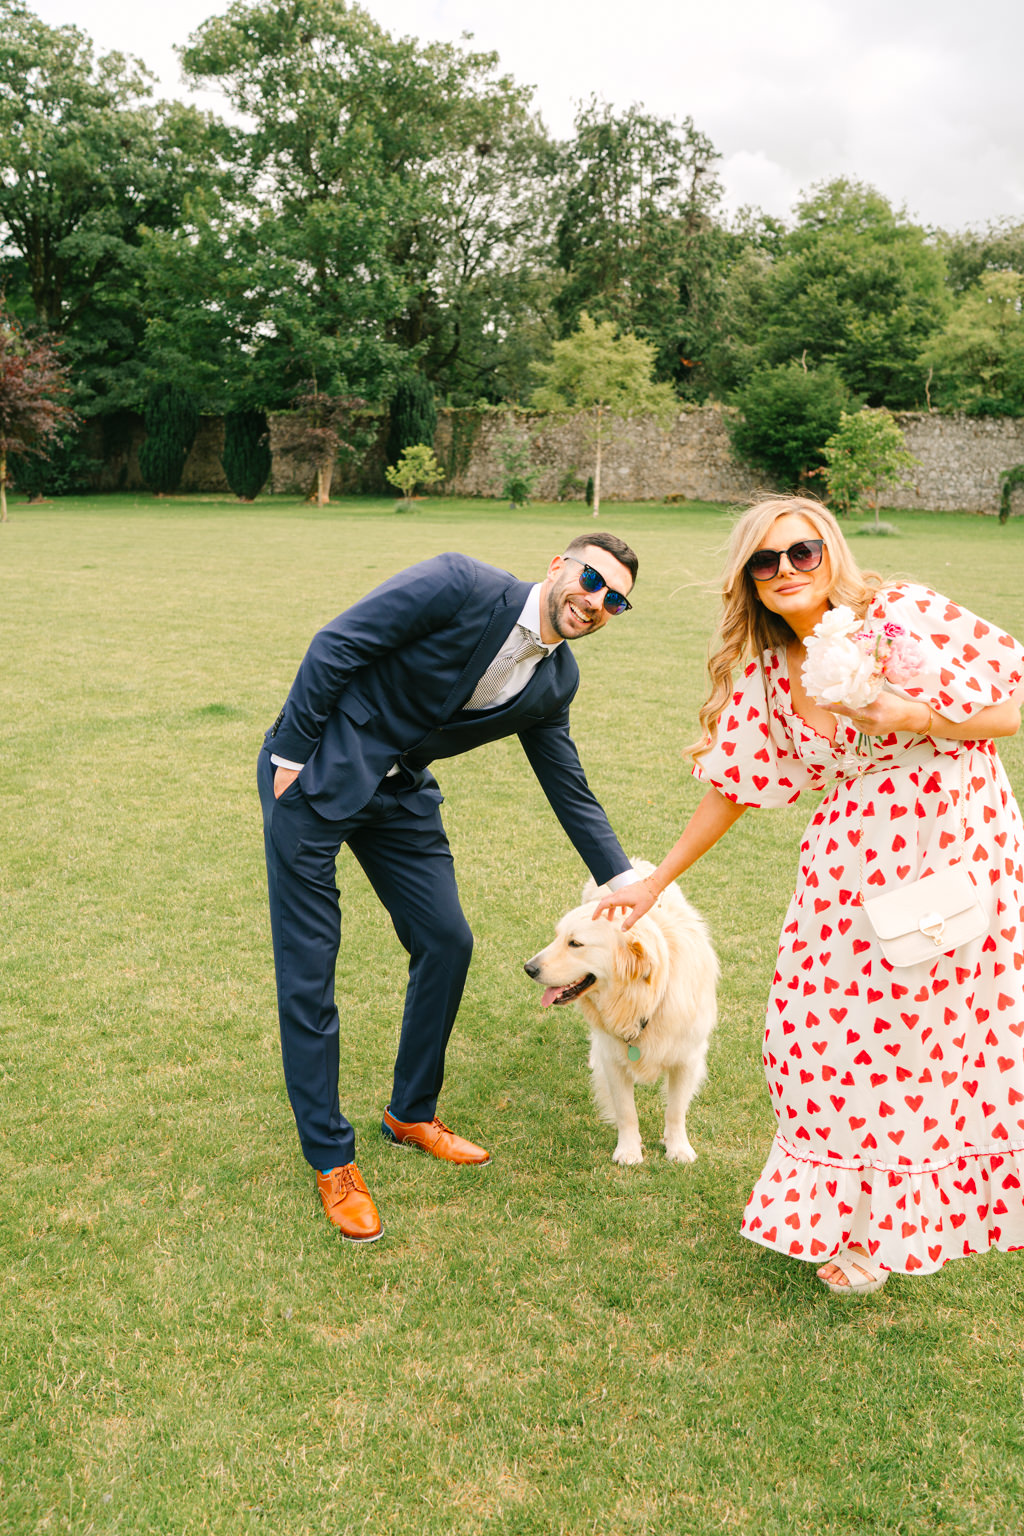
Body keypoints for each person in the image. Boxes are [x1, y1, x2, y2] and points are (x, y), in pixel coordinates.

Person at [594, 496, 1024, 1294]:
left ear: (830, 552)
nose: (786, 570)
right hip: (849, 856)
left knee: (929, 1044)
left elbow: (1011, 707)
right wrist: (655, 881)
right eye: (765, 561)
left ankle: (895, 1232)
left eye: (802, 552)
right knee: (810, 1033)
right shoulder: (766, 670)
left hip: (951, 837)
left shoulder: (898, 613)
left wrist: (917, 714)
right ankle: (855, 1218)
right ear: (748, 581)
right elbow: (733, 788)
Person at [259, 534, 640, 1241]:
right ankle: (331, 1159)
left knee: (447, 940)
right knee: (310, 968)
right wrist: (290, 753)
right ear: (559, 565)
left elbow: (568, 784)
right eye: (592, 579)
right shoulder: (459, 584)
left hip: (399, 794)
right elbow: (337, 644)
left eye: (614, 599)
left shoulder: (555, 681)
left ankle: (410, 1112)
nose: (595, 601)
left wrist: (625, 881)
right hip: (314, 771)